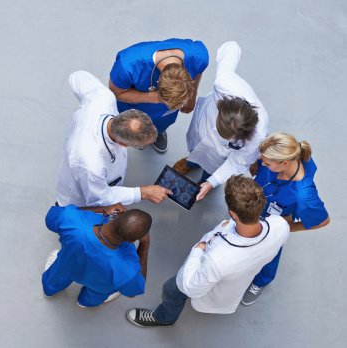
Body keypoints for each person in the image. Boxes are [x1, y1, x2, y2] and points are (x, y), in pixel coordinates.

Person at [126, 175, 289, 327]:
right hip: (238, 275)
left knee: (171, 290)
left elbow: (190, 287)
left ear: (233, 213)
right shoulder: (280, 226)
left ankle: (164, 318)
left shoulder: (218, 259)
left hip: (210, 274)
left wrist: (197, 251)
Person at [55, 70, 172, 208]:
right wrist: (143, 193)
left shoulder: (103, 98)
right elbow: (100, 197)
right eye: (141, 146)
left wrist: (87, 106)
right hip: (79, 201)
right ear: (122, 143)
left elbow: (77, 76)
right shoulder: (91, 163)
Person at [173, 41, 268, 201]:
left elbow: (238, 163)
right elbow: (232, 47)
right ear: (220, 103)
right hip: (201, 130)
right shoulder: (224, 84)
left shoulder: (257, 136)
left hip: (220, 156)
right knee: (195, 151)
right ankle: (190, 163)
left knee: (211, 169)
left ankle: (205, 180)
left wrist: (211, 183)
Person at [241, 133, 330, 305]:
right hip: (257, 203)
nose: (262, 161)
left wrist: (286, 227)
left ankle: (261, 281)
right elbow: (261, 154)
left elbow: (322, 221)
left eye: (266, 162)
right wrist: (255, 162)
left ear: (284, 163)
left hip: (274, 218)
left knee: (271, 250)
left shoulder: (303, 195)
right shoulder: (286, 148)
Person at [42, 203, 151, 308]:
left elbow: (51, 217)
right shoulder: (127, 269)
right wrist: (145, 245)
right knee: (100, 291)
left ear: (119, 214)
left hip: (69, 264)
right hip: (100, 283)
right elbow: (131, 293)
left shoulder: (73, 221)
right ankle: (85, 302)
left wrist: (102, 209)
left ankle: (50, 290)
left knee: (59, 272)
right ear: (132, 240)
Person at [109, 38, 209, 152]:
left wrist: (192, 97)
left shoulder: (199, 57)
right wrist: (154, 98)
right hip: (134, 104)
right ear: (157, 82)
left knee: (162, 122)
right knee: (133, 128)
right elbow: (116, 93)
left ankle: (157, 133)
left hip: (162, 110)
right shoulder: (128, 67)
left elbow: (198, 71)